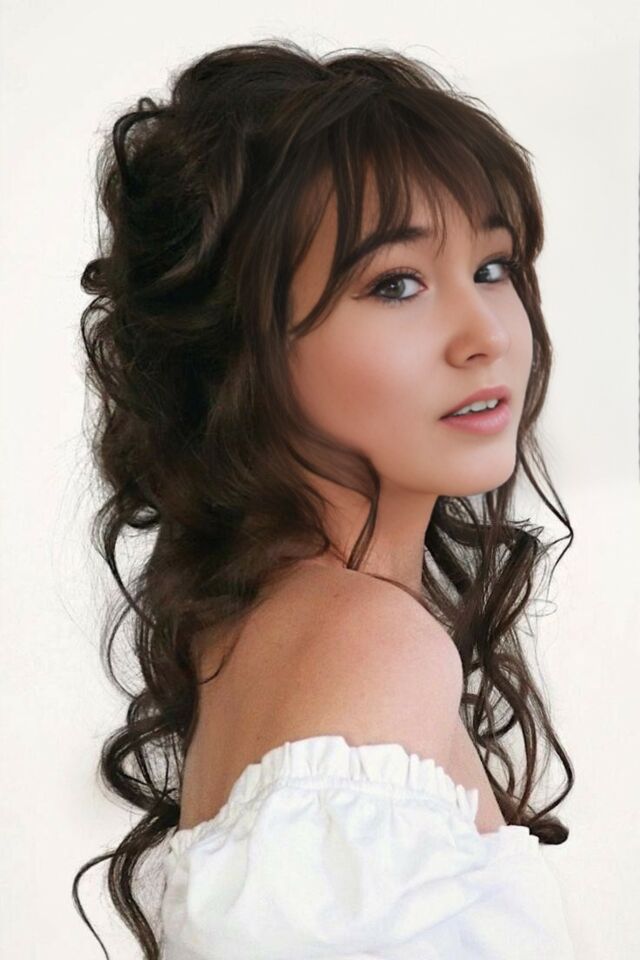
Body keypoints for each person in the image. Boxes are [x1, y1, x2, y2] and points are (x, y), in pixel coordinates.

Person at [72, 38, 576, 959]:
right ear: (245, 345)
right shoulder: (366, 645)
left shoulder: (272, 626)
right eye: (396, 283)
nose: (485, 335)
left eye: (494, 267)